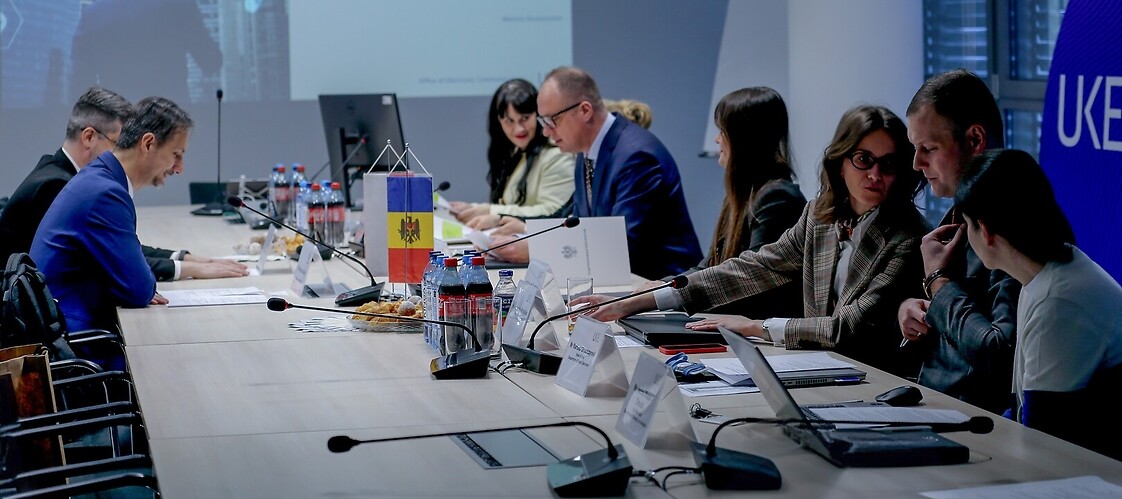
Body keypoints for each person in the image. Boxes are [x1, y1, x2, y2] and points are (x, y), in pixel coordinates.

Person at [577, 105, 929, 376]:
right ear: (840, 162)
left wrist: (755, 327)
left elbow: (848, 327)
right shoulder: (819, 217)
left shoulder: (908, 235)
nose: (875, 175)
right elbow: (752, 268)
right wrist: (638, 302)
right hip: (816, 368)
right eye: (863, 160)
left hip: (874, 380)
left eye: (888, 164)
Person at [954, 149, 1122, 459]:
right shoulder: (1047, 273)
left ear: (986, 231)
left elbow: (1041, 442)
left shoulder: (1058, 300)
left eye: (967, 226)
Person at [0, 87, 247, 282]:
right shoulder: (59, 186)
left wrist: (184, 259)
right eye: (119, 143)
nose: (123, 153)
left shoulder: (69, 178)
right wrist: (186, 268)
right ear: (89, 137)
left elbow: (121, 250)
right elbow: (115, 264)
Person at [489, 66, 703, 280]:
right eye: (543, 122)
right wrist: (528, 234)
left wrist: (537, 248)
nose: (546, 131)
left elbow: (621, 247)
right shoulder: (586, 150)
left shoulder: (637, 157)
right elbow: (578, 225)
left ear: (584, 110)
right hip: (622, 285)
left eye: (552, 120)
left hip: (667, 292)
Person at [897, 69, 1020, 414]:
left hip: (974, 426)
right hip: (933, 404)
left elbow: (999, 352)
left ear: (975, 139)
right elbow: (953, 310)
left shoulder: (1008, 226)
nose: (917, 163)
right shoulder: (958, 211)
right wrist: (912, 309)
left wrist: (938, 285)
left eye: (929, 148)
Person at [31, 97, 195, 333]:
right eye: (176, 154)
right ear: (148, 143)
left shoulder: (99, 177)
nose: (180, 168)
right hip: (80, 343)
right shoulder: (105, 193)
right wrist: (143, 285)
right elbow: (138, 288)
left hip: (70, 327)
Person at [448, 79, 575, 230]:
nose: (518, 129)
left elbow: (552, 213)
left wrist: (492, 212)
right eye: (509, 121)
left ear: (539, 115)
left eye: (525, 118)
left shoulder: (557, 155)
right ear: (499, 122)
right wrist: (473, 209)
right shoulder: (515, 152)